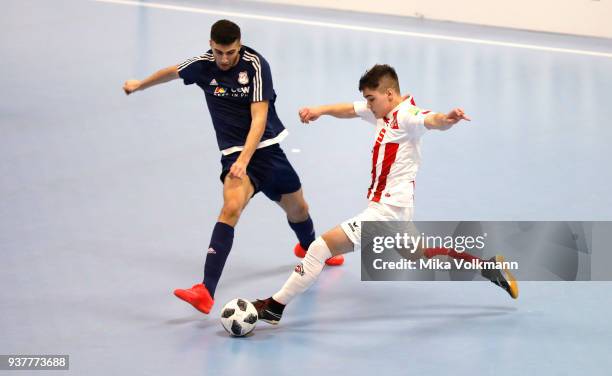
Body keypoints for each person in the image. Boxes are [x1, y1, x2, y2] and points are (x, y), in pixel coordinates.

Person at [253, 64, 519, 324]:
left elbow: (431, 119)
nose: (367, 104)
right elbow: (350, 109)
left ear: (389, 94)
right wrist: (319, 110)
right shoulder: (382, 113)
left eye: (371, 98)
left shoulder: (406, 115)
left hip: (386, 210)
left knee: (320, 247)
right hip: (397, 209)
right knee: (419, 255)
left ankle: (274, 307)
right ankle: (489, 267)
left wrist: (447, 119)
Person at [122, 19, 343, 315]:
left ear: (239, 45)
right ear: (211, 45)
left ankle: (308, 249)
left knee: (299, 210)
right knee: (230, 208)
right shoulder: (203, 64)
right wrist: (140, 84)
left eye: (230, 52)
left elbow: (259, 118)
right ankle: (205, 290)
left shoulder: (255, 65)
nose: (224, 59)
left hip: (266, 151)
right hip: (234, 158)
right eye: (219, 52)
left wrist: (245, 159)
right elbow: (171, 72)